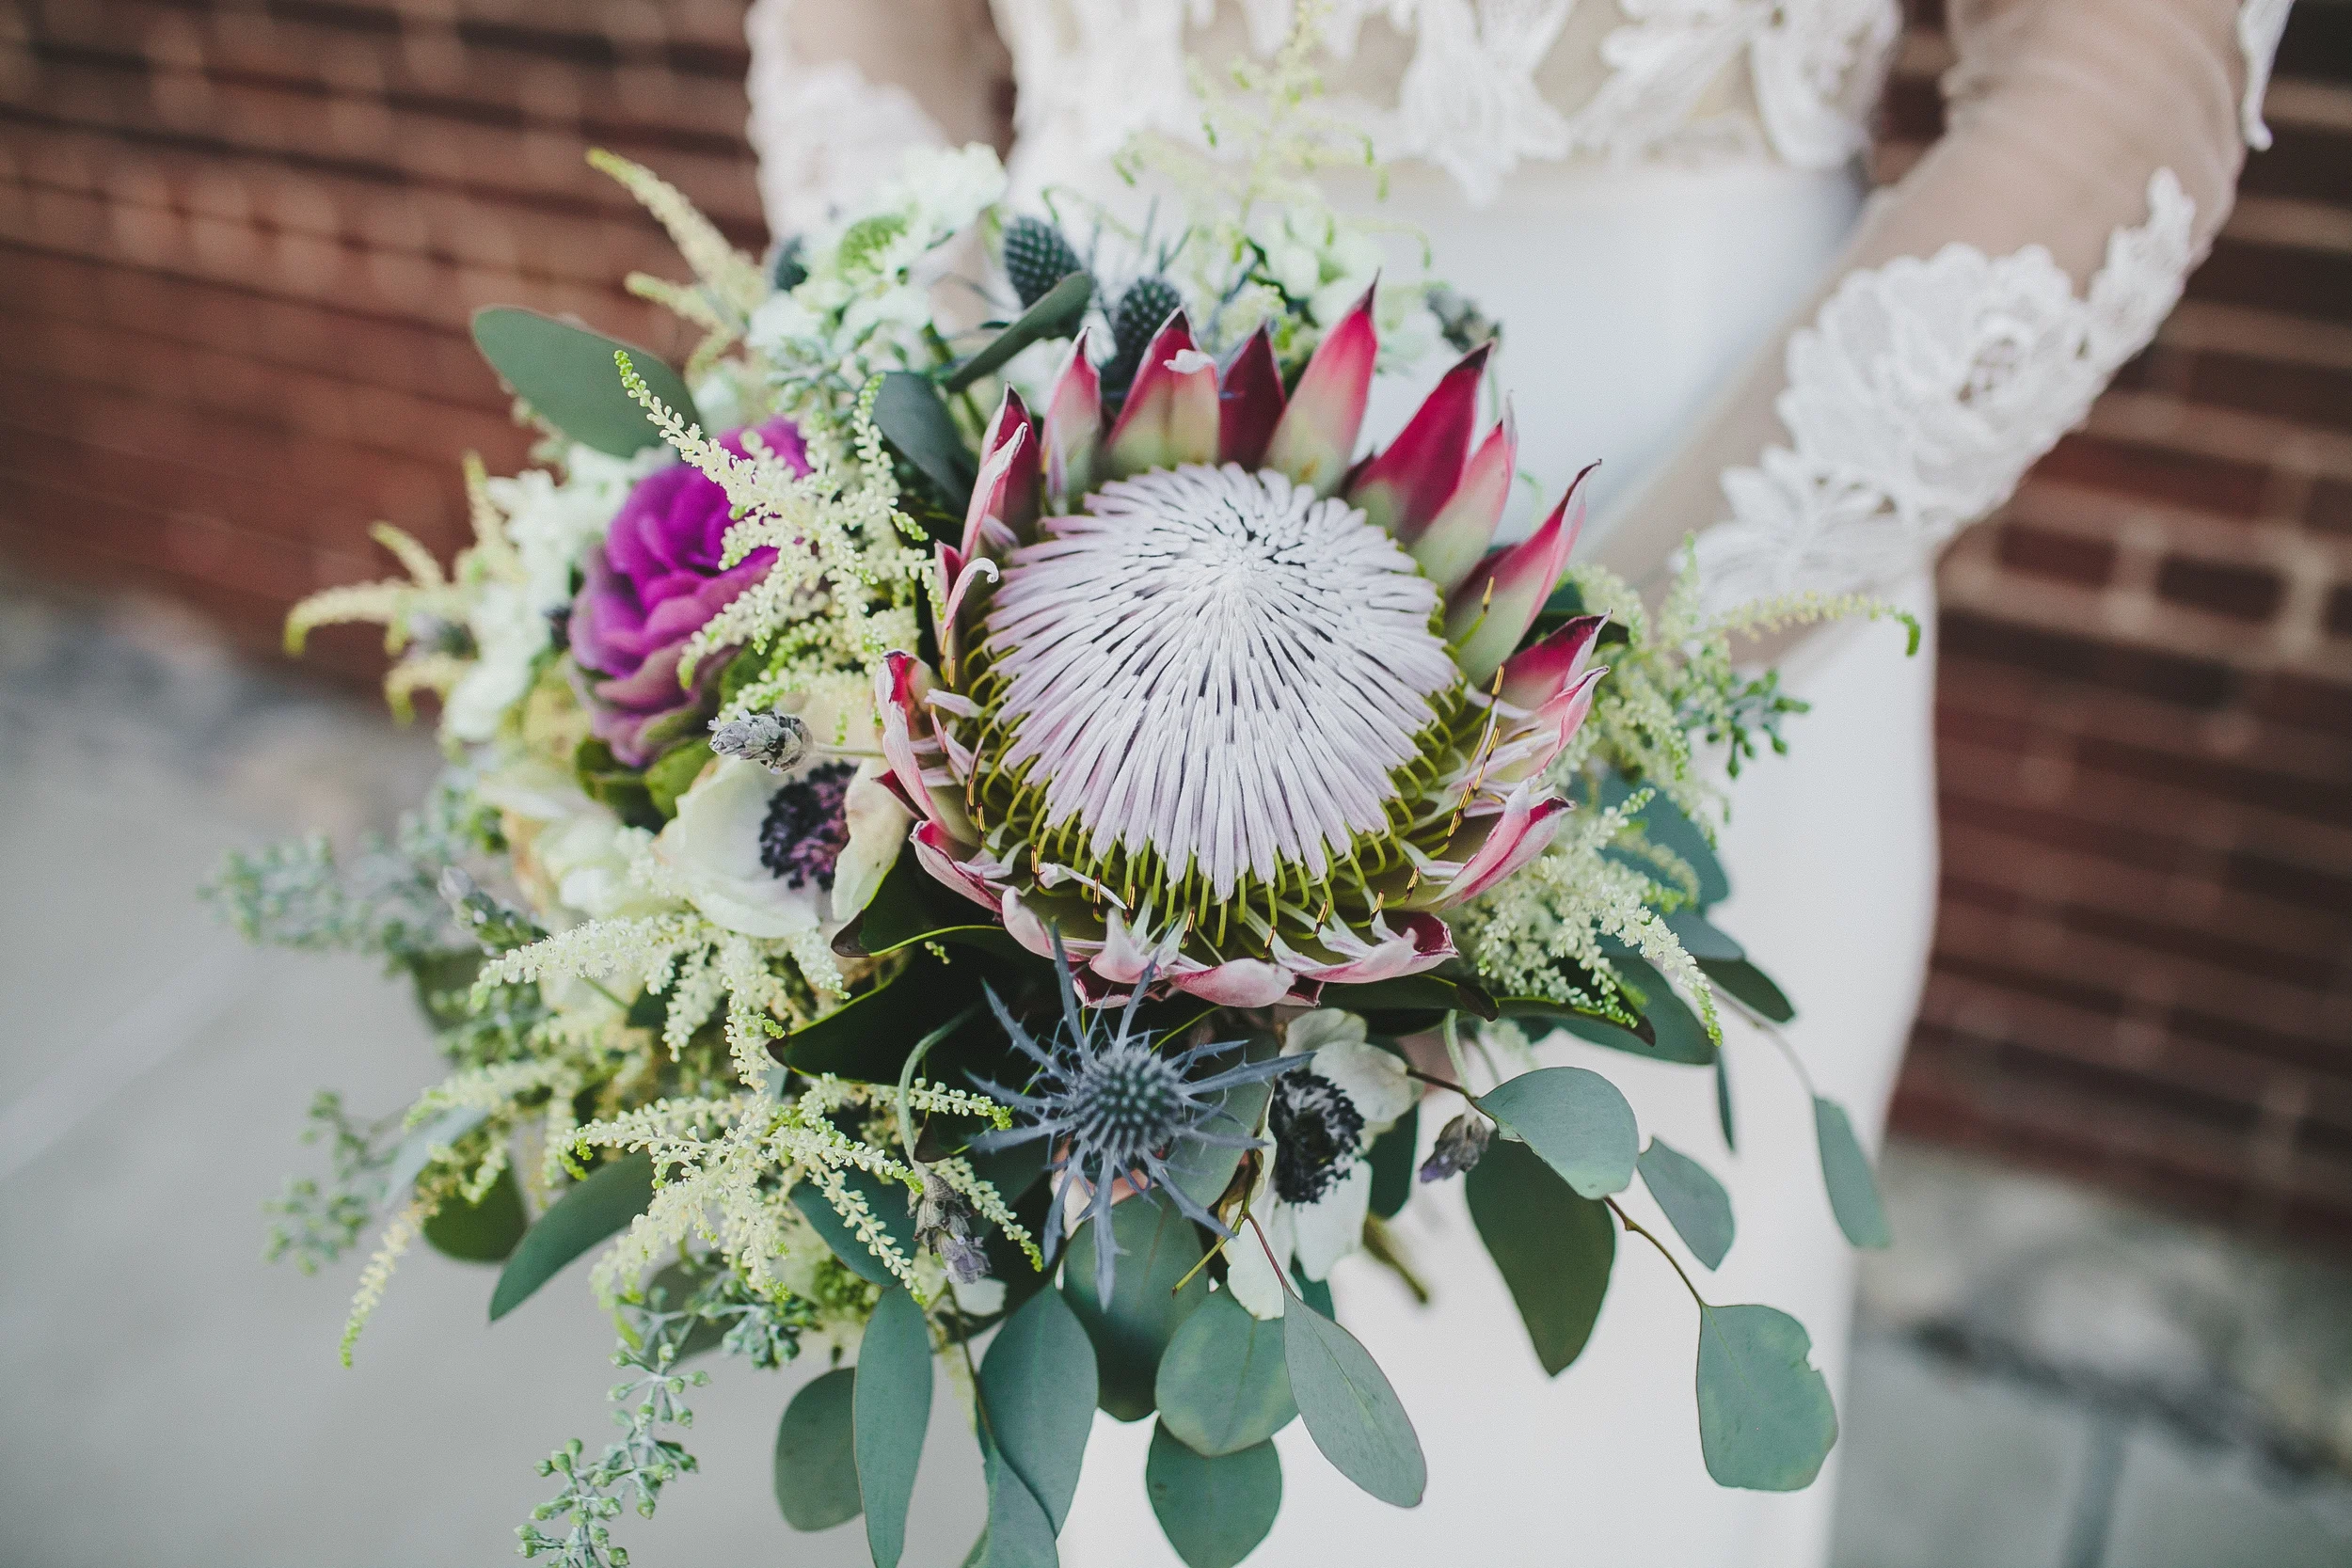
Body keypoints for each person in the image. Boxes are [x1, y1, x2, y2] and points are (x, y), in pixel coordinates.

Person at [743, 2, 2289, 1560]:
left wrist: (1564, 713)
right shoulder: (967, 645)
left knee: (1611, 1471)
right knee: (1141, 1399)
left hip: (1718, 587)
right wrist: (918, 487)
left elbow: (2129, 67)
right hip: (1037, 627)